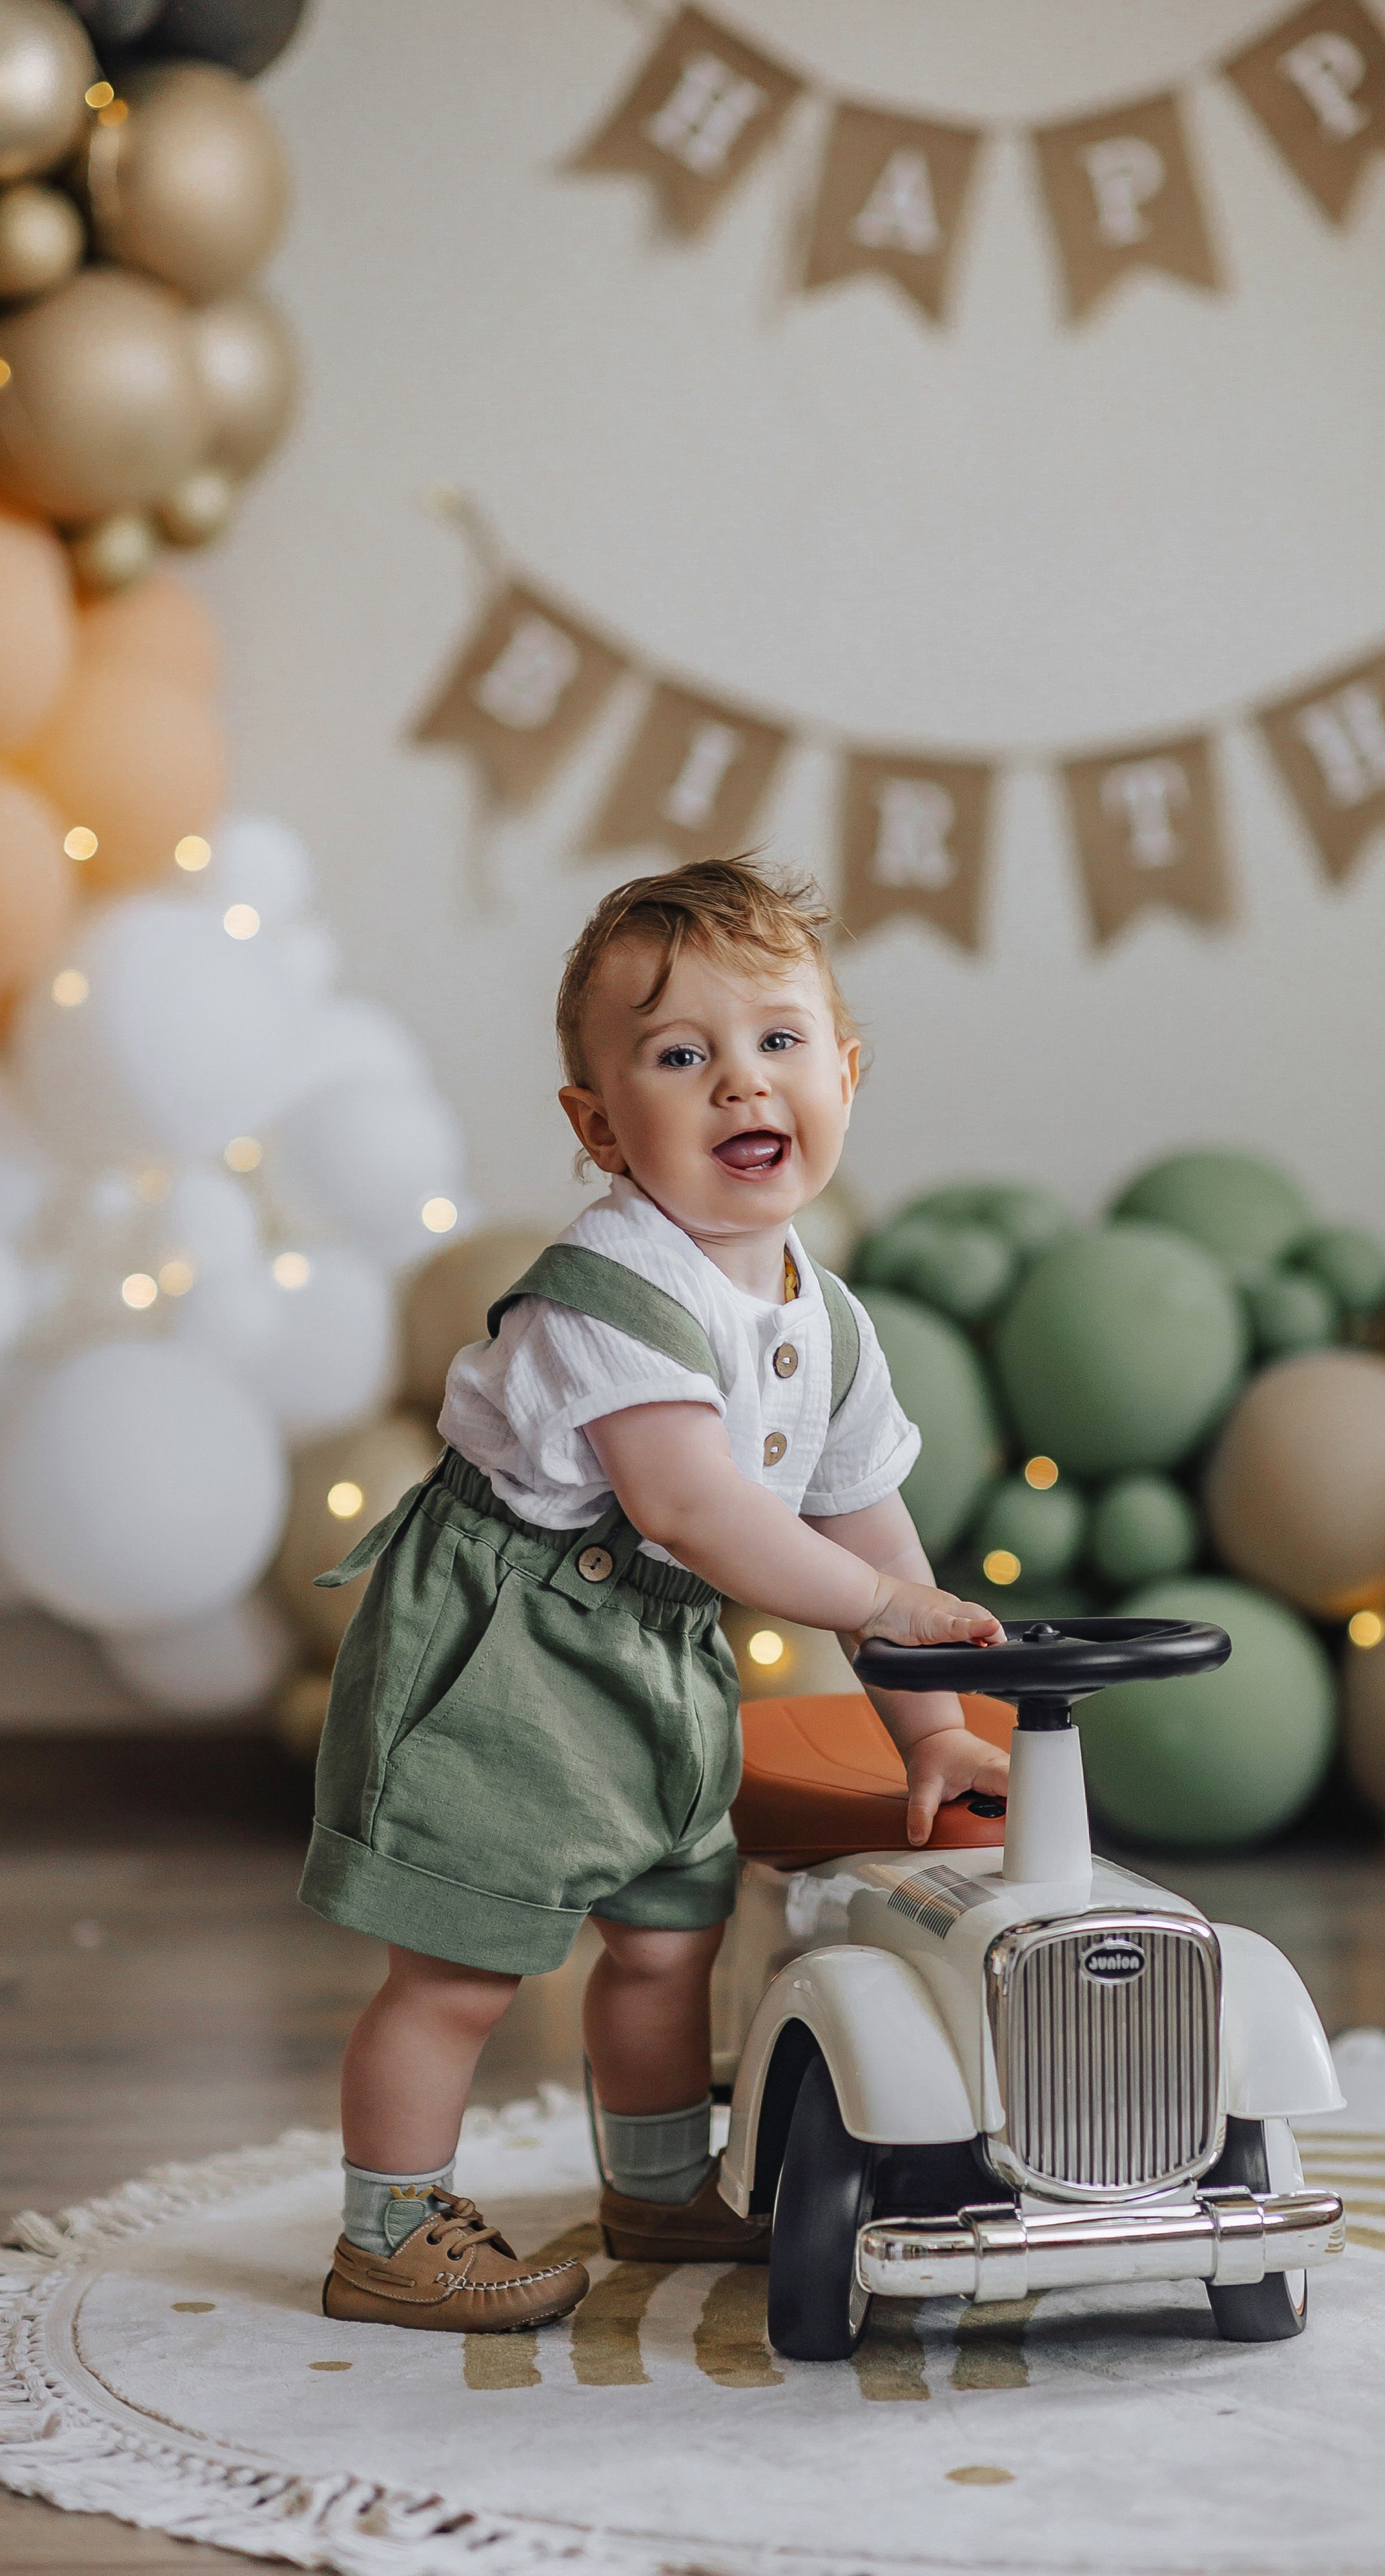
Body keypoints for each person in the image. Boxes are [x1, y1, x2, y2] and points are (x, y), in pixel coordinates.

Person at [299, 856, 1009, 2331]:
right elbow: (697, 1507)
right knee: (462, 1966)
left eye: (776, 1042)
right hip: (508, 1649)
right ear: (597, 1123)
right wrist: (875, 1618)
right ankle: (388, 2230)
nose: (739, 1085)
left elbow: (864, 1521)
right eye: (679, 1056)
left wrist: (930, 1727)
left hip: (657, 1661)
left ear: (846, 1073)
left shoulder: (827, 1320)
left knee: (669, 1941)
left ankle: (657, 2181)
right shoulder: (602, 1290)